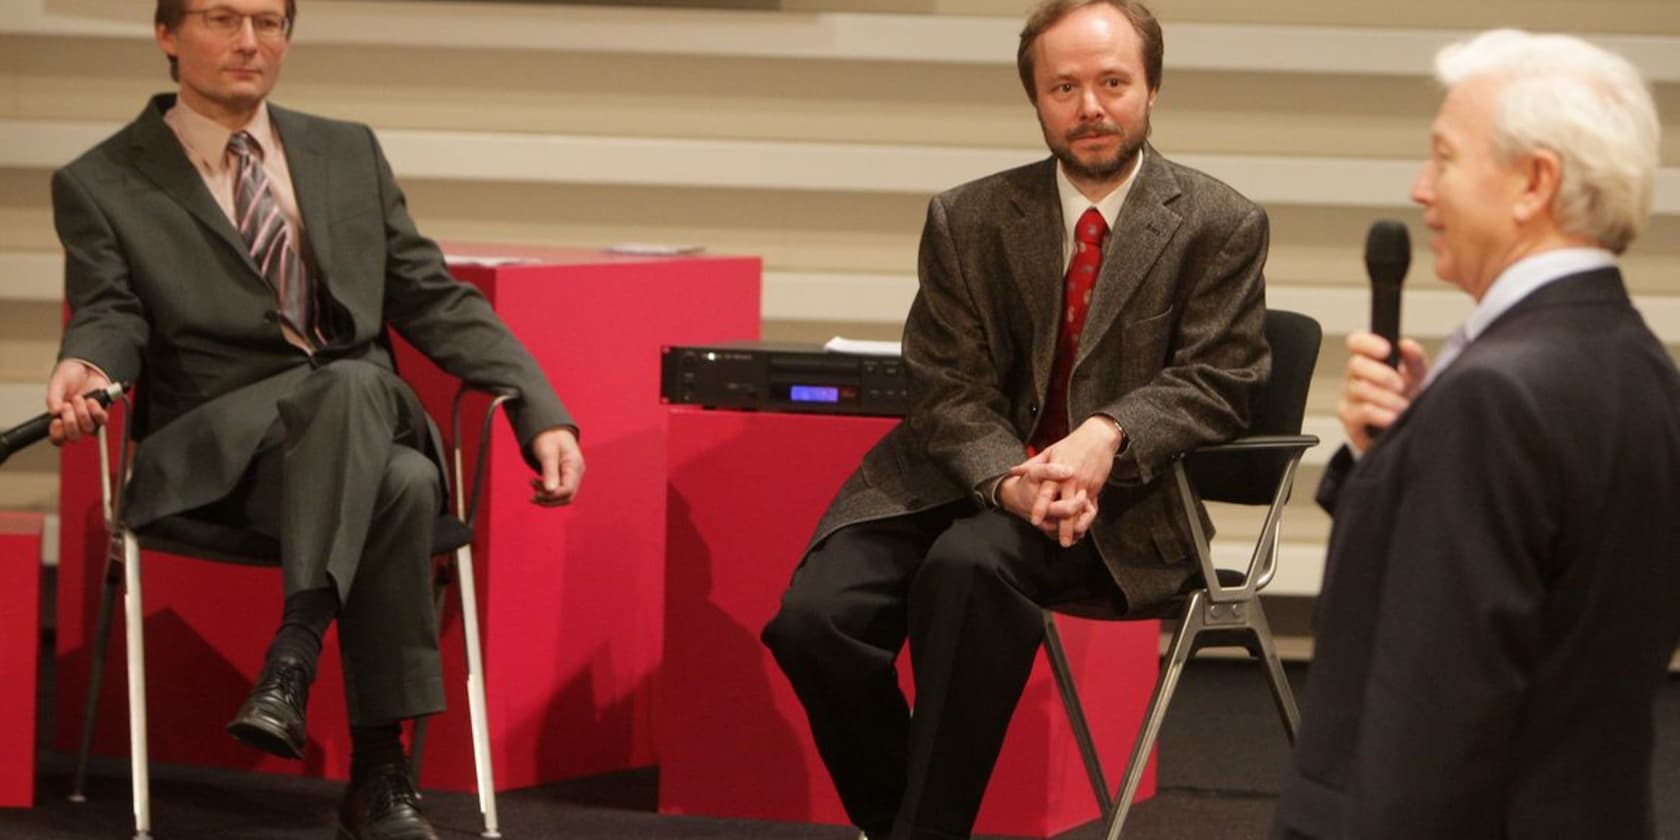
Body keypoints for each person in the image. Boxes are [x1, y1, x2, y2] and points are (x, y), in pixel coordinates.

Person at [46, 1, 584, 837]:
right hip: (229, 458)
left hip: (358, 413)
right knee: (401, 486)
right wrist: (86, 363)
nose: (250, 42)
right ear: (165, 33)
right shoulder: (102, 180)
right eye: (223, 18)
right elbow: (111, 311)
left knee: (349, 389)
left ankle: (291, 657)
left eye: (270, 20)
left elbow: (429, 295)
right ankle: (379, 778)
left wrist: (539, 408)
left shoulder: (347, 150)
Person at [759, 1, 1270, 836]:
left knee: (969, 569)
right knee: (814, 623)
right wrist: (1007, 479)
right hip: (953, 477)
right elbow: (943, 385)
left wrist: (1104, 436)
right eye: (1063, 86)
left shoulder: (1219, 223)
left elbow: (1221, 380)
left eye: (1112, 82)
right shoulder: (967, 217)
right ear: (1035, 98)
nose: (1091, 107)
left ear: (1151, 86)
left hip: (1119, 508)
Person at [1273, 29, 1680, 840]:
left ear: (1534, 182)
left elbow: (1432, 715)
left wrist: (1442, 433)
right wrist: (1395, 451)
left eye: (1444, 159)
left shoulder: (1492, 398)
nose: (1422, 190)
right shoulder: (1643, 368)